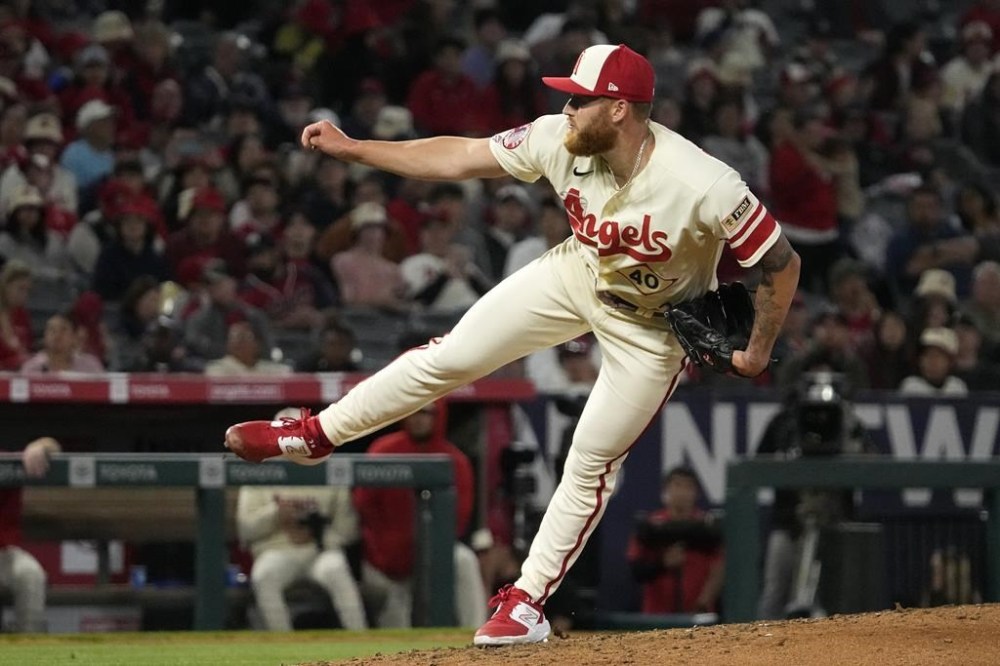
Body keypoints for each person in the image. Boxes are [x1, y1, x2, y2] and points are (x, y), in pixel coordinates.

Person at [225, 43, 800, 646]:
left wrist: (759, 348)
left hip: (654, 327)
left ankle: (526, 602)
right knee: (450, 355)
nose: (567, 107)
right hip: (579, 273)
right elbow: (462, 157)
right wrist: (357, 148)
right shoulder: (560, 138)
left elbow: (782, 265)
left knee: (590, 461)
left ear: (621, 110)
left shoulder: (704, 183)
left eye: (581, 98)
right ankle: (315, 437)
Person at [352, 402, 487, 628]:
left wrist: (427, 550)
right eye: (413, 412)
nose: (418, 419)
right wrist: (390, 548)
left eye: (425, 413)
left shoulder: (455, 459)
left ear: (437, 416)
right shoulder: (383, 450)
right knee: (397, 629)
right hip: (385, 561)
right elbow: (362, 506)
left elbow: (459, 519)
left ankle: (477, 632)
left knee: (465, 560)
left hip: (433, 554)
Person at [237, 409, 367, 631]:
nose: (291, 438)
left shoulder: (326, 467)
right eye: (284, 432)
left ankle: (363, 646)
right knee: (264, 575)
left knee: (337, 568)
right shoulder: (260, 470)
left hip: (320, 551)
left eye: (297, 431)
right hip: (277, 551)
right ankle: (284, 647)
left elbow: (349, 529)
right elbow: (245, 530)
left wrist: (319, 536)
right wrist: (276, 515)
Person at [627, 466, 724, 615]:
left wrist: (705, 600)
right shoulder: (652, 526)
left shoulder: (707, 527)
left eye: (688, 487)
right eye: (677, 485)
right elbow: (636, 569)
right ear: (666, 491)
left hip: (698, 614)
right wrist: (663, 564)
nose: (682, 493)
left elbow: (719, 566)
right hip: (657, 615)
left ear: (696, 493)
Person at [1, 436, 61, 632]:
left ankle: (29, 648)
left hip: (3, 555)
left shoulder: (6, 460)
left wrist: (40, 447)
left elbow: (53, 448)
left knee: (30, 573)